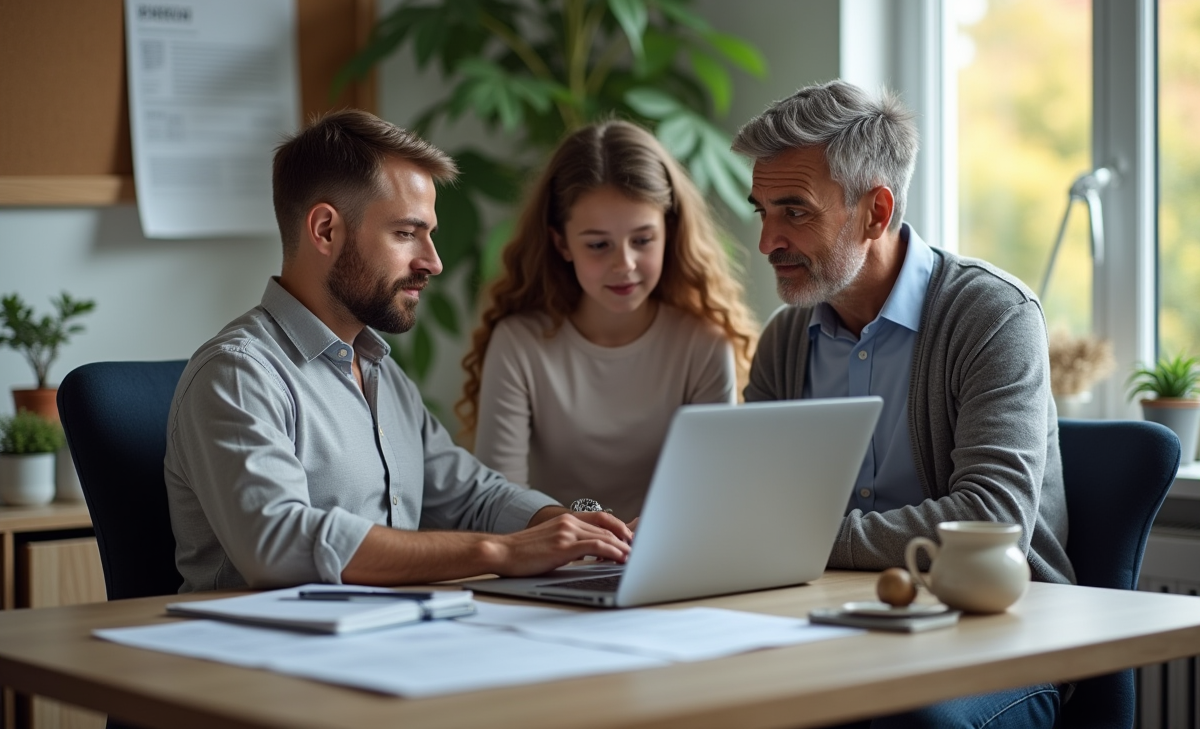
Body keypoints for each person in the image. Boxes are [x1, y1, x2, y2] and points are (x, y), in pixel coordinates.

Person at [164, 109, 633, 593]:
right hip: (259, 657)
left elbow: (475, 496)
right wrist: (499, 552)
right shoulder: (240, 374)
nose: (433, 261)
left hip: (395, 640)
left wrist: (573, 527)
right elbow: (279, 545)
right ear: (325, 230)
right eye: (407, 233)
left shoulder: (380, 374)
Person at [731, 80, 1073, 728]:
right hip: (833, 629)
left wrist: (802, 541)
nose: (767, 241)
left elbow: (991, 516)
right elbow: (758, 514)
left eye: (795, 211)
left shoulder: (991, 315)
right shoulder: (784, 340)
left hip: (998, 638)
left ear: (876, 213)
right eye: (762, 211)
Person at [456, 120, 758, 520]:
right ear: (561, 243)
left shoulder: (703, 343)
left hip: (670, 566)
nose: (624, 264)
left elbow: (712, 499)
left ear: (669, 232)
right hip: (548, 564)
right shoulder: (518, 343)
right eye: (598, 244)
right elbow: (500, 505)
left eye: (643, 240)